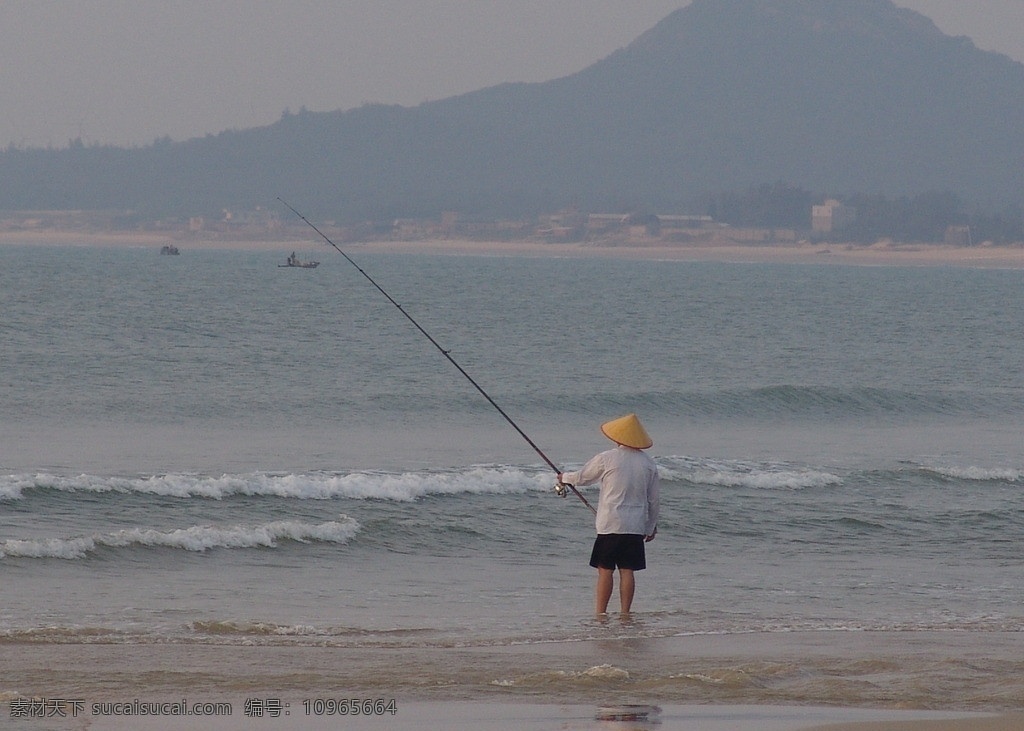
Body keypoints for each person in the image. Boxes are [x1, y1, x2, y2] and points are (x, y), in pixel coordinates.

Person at [558, 413, 659, 616]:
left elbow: (583, 478)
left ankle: (600, 614)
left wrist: (564, 477)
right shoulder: (649, 464)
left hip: (610, 523)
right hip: (635, 525)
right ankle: (625, 614)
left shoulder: (607, 458)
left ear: (618, 437)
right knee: (627, 570)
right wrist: (651, 526)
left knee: (605, 570)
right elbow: (653, 500)